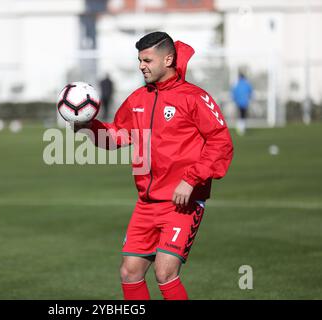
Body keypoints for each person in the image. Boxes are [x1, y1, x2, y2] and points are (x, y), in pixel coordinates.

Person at [74, 32, 234, 300]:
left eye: (147, 59)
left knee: (165, 272)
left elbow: (221, 142)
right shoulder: (138, 99)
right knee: (130, 272)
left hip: (182, 203)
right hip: (146, 203)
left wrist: (192, 179)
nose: (141, 66)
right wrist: (89, 127)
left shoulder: (194, 97)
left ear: (168, 59)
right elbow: (118, 135)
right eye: (139, 60)